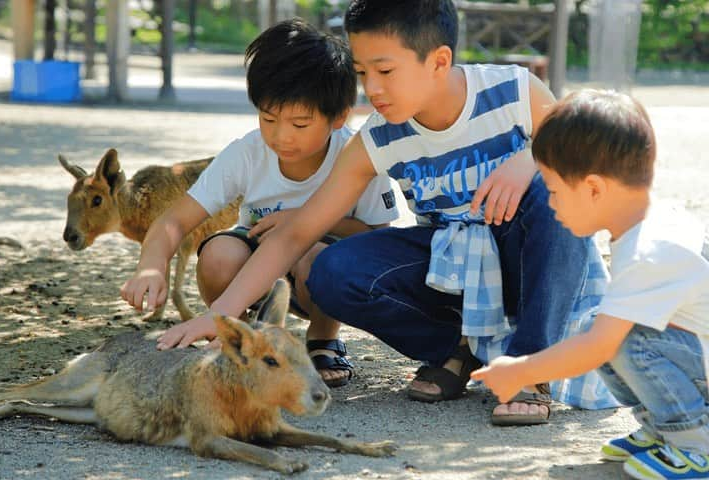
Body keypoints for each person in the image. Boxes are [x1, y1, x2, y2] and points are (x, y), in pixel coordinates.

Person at [127, 0, 611, 425]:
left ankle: (531, 363)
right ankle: (457, 349)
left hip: (527, 258)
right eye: (362, 73)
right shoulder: (378, 138)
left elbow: (588, 148)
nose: (371, 89)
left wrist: (528, 162)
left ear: (438, 61)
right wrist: (221, 315)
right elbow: (296, 236)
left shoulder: (512, 90)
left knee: (554, 188)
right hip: (454, 267)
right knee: (337, 271)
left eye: (385, 71)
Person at [120, 18, 399, 388]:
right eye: (269, 118)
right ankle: (242, 334)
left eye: (299, 124)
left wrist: (307, 220)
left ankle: (323, 338)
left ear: (339, 117)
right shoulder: (247, 152)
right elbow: (174, 221)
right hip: (256, 255)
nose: (281, 136)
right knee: (218, 254)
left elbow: (377, 238)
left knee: (313, 256)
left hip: (319, 270)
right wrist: (151, 266)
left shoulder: (355, 155)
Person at [472, 89, 709, 479]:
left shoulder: (648, 251)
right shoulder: (650, 223)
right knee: (604, 328)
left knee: (622, 339)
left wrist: (521, 370)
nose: (549, 204)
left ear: (594, 188)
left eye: (553, 191)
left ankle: (694, 443)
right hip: (695, 351)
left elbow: (599, 348)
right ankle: (662, 428)